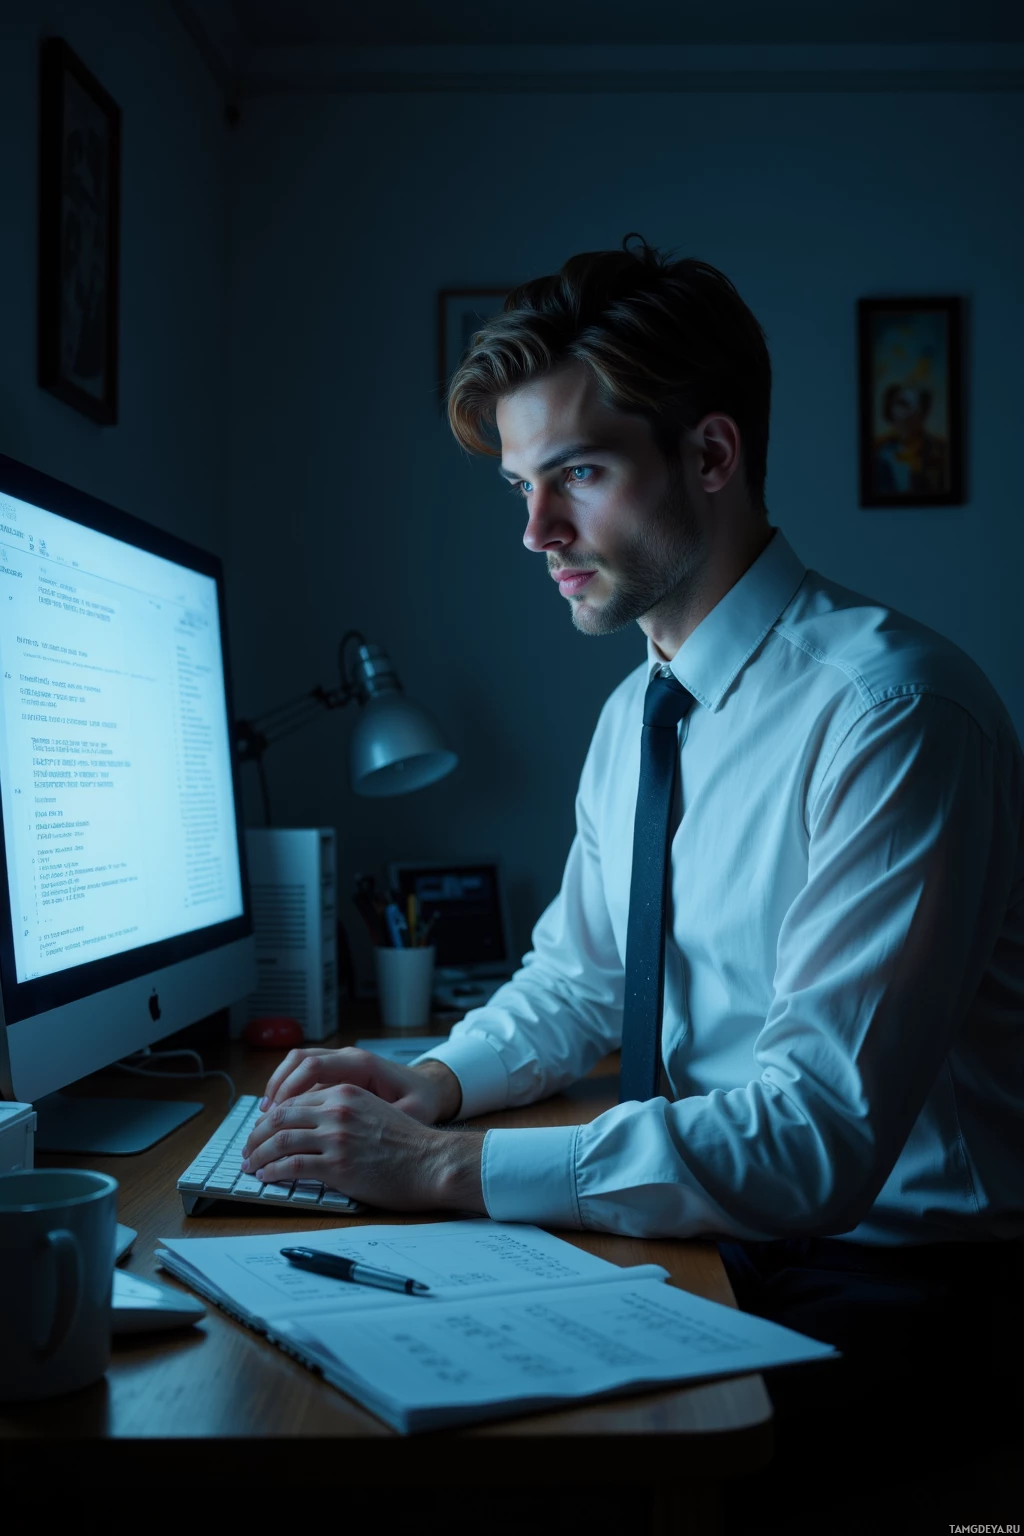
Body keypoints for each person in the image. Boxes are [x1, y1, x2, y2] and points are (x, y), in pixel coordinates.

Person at [242, 237, 1023, 1506]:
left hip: (896, 1288)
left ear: (710, 457)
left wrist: (444, 1172)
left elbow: (819, 1140)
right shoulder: (639, 711)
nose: (538, 532)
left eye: (578, 477)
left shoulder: (892, 713)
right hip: (718, 1239)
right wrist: (431, 1083)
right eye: (518, 490)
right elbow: (582, 978)